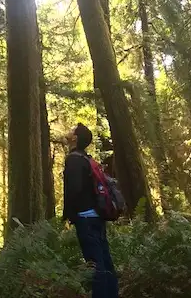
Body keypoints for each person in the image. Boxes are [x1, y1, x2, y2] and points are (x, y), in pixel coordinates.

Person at [62, 123, 119, 298]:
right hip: (97, 217)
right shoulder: (86, 159)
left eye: (72, 129)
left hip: (85, 219)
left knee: (95, 266)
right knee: (104, 261)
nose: (68, 130)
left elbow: (74, 190)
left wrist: (67, 215)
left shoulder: (73, 159)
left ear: (75, 138)